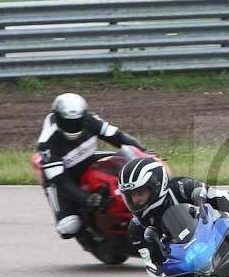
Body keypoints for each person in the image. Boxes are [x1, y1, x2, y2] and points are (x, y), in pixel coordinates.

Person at [37, 93, 150, 240]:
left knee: (128, 160)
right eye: (68, 122)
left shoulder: (90, 120)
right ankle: (92, 235)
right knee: (69, 227)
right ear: (58, 119)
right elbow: (61, 180)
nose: (73, 126)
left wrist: (143, 150)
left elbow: (117, 136)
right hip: (62, 177)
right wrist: (86, 199)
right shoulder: (47, 141)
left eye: (77, 121)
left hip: (88, 159)